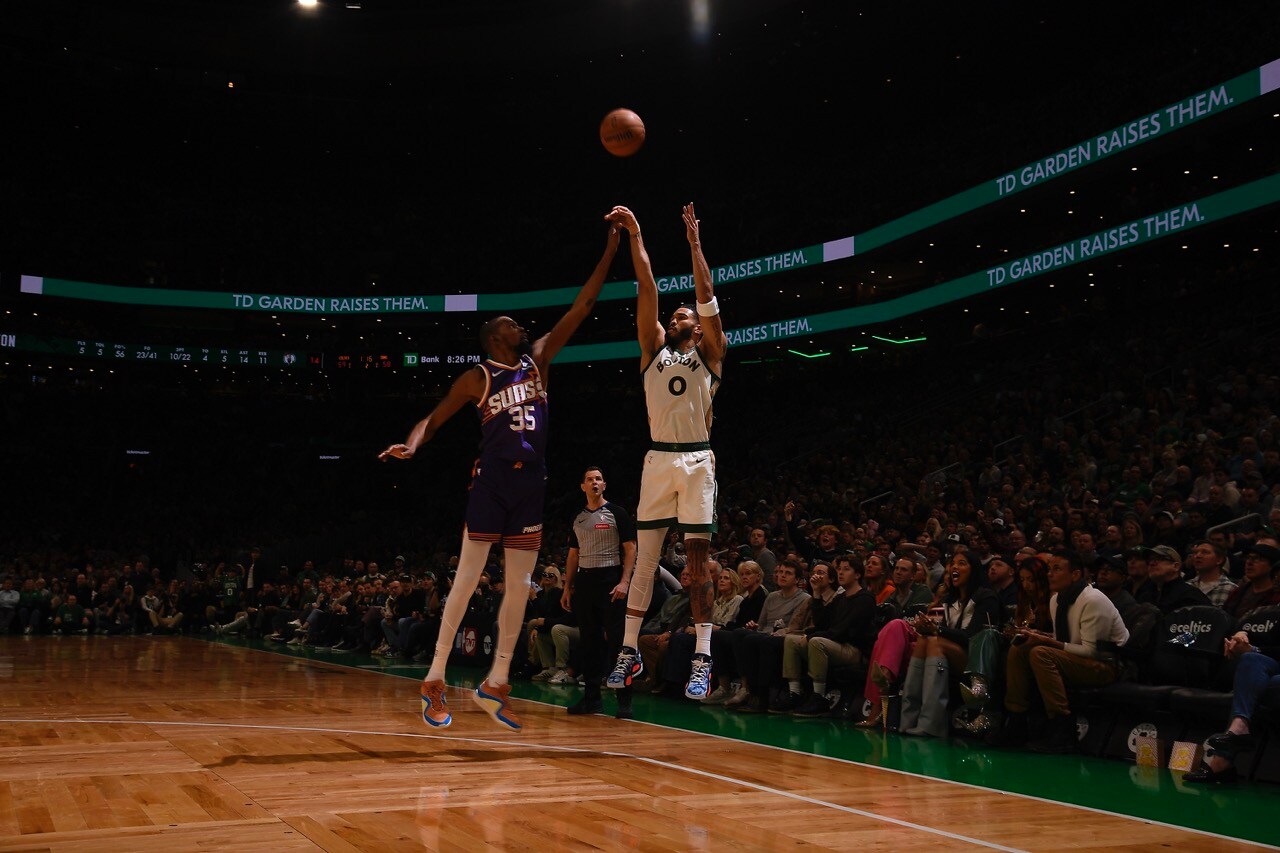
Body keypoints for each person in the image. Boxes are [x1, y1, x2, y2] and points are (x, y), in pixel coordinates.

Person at [380, 214, 620, 730]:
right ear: (494, 338)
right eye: (510, 323)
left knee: (520, 587)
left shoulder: (538, 360)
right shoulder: (477, 377)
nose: (520, 325)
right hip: (491, 480)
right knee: (467, 581)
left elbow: (583, 306)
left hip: (532, 482)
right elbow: (435, 416)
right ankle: (434, 679)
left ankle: (496, 683)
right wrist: (413, 443)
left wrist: (611, 246)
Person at [605, 203, 728, 702]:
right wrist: (637, 237)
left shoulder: (712, 352)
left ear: (697, 328)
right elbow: (648, 288)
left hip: (697, 460)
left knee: (697, 563)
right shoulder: (653, 349)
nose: (679, 315)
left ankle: (703, 655)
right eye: (674, 314)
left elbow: (705, 295)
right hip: (657, 460)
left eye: (686, 315)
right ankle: (629, 651)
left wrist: (696, 244)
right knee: (645, 562)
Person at [991, 550, 1129, 753]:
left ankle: (1062, 728)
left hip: (1107, 666)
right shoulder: (1056, 600)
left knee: (1040, 653)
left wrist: (1044, 641)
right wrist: (1037, 634)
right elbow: (1065, 641)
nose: (1049, 574)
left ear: (1075, 575)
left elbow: (1091, 652)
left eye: (1056, 569)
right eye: (1049, 569)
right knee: (1019, 648)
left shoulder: (1093, 600)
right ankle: (1016, 720)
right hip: (1078, 660)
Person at [561, 465, 638, 719]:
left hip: (610, 581)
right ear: (583, 486)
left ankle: (624, 700)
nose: (595, 482)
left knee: (617, 642)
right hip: (585, 583)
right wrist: (567, 587)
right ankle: (592, 700)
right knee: (589, 642)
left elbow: (630, 549)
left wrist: (625, 581)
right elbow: (573, 554)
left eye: (599, 479)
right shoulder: (578, 517)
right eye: (590, 479)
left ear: (604, 485)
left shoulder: (617, 513)